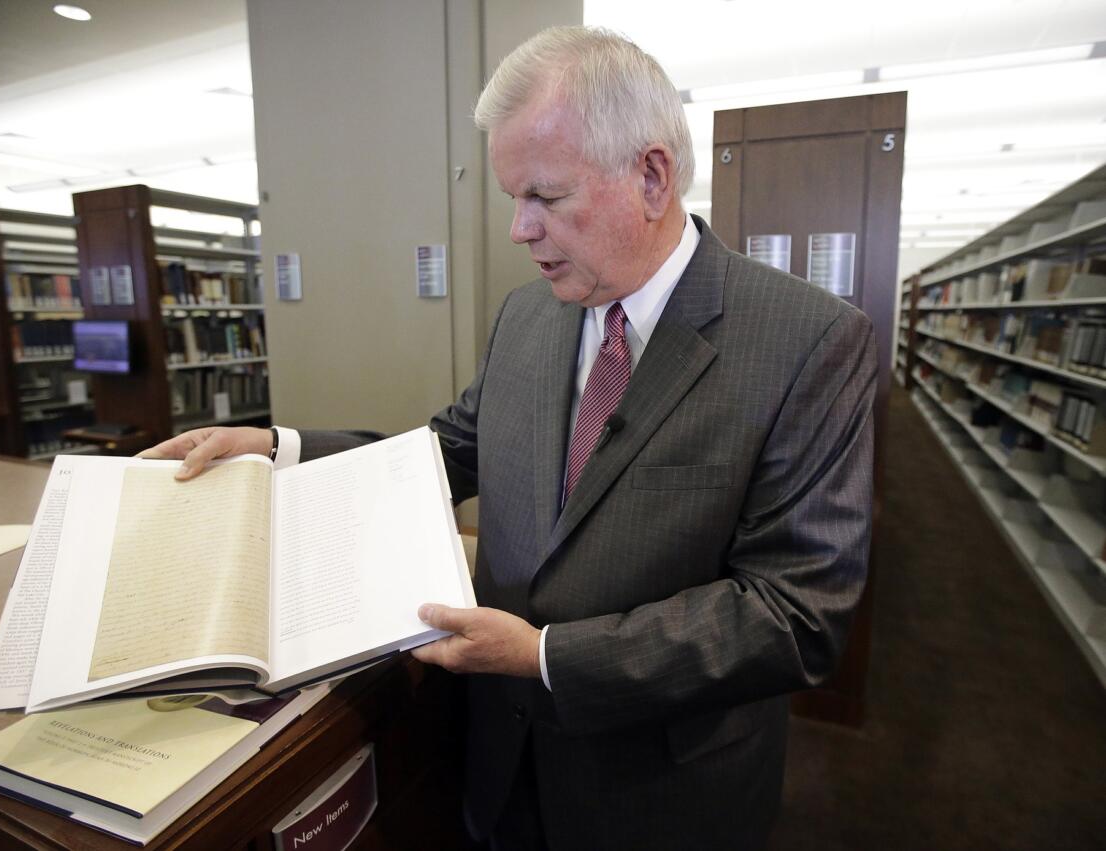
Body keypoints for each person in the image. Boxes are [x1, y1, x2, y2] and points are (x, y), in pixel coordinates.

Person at [144, 26, 876, 851]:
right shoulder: (529, 316)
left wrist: (548, 655)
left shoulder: (807, 341)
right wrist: (277, 447)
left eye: (545, 196)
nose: (519, 229)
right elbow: (449, 448)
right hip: (500, 762)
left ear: (652, 175)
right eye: (511, 198)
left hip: (661, 794)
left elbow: (797, 616)